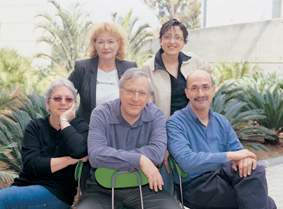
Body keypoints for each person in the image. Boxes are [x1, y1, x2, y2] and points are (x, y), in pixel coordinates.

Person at [167, 70, 277, 209]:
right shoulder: (175, 123)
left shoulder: (221, 121)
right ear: (187, 93)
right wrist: (230, 156)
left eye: (205, 87)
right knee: (267, 204)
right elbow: (187, 162)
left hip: (224, 175)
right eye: (194, 88)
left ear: (214, 90)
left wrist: (246, 160)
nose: (200, 93)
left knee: (256, 171)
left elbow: (238, 151)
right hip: (196, 184)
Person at [76, 68, 181, 209]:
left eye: (142, 93)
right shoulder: (101, 114)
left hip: (145, 187)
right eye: (130, 91)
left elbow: (156, 154)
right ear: (120, 91)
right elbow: (96, 155)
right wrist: (140, 160)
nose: (135, 98)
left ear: (148, 97)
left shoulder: (156, 116)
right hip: (101, 189)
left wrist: (115, 157)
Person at [0, 79, 88, 209]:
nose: (63, 102)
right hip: (23, 186)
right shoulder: (35, 126)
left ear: (74, 105)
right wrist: (70, 160)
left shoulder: (80, 127)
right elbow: (31, 165)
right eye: (57, 98)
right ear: (47, 104)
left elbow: (79, 151)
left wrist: (64, 121)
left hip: (57, 193)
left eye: (69, 99)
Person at [69, 22, 137, 123]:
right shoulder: (82, 68)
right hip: (87, 130)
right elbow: (64, 93)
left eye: (110, 42)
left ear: (119, 44)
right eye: (101, 42)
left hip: (121, 129)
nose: (105, 47)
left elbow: (138, 97)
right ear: (95, 44)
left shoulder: (129, 68)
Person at [143, 18, 211, 118]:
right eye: (167, 37)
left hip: (193, 121)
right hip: (162, 125)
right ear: (160, 41)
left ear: (184, 42)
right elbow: (146, 104)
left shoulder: (195, 61)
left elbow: (211, 81)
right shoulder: (148, 68)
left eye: (178, 37)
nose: (172, 41)